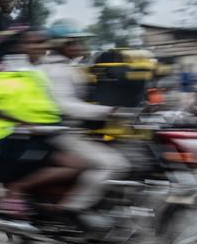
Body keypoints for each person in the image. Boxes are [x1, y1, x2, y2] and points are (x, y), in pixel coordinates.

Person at [0, 26, 85, 216]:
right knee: (72, 164)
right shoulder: (13, 71)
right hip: (5, 137)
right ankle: (15, 192)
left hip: (31, 134)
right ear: (20, 46)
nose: (42, 47)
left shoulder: (37, 71)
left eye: (43, 42)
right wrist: (18, 120)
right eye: (36, 42)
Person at [40, 20, 130, 227]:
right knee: (112, 164)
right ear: (63, 45)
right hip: (62, 131)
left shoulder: (69, 67)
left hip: (76, 129)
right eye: (76, 42)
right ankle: (73, 209)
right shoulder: (55, 71)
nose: (81, 47)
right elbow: (65, 106)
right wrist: (107, 112)